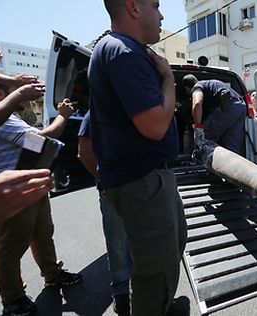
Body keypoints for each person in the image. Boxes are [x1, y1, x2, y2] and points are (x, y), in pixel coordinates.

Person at [88, 1, 187, 314]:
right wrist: (168, 79)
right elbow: (155, 125)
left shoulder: (124, 50)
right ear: (133, 6)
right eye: (156, 5)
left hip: (148, 180)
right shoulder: (122, 52)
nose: (161, 15)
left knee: (168, 255)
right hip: (143, 183)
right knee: (154, 274)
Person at [0, 85, 82, 315]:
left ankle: (52, 274)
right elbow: (42, 138)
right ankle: (13, 299)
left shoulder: (5, 116)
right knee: (10, 247)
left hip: (28, 186)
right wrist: (63, 116)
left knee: (42, 234)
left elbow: (32, 141)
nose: (28, 96)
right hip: (11, 194)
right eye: (17, 89)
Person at [78, 111, 133, 315]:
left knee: (128, 241)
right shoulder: (94, 114)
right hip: (114, 188)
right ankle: (122, 296)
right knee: (118, 242)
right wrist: (106, 180)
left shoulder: (132, 107)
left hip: (138, 186)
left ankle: (136, 291)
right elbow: (84, 153)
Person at [181, 74, 247, 154]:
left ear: (186, 88)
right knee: (232, 143)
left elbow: (197, 104)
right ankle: (232, 165)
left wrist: (198, 128)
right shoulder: (211, 84)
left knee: (205, 138)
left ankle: (202, 163)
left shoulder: (197, 87)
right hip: (240, 107)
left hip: (226, 107)